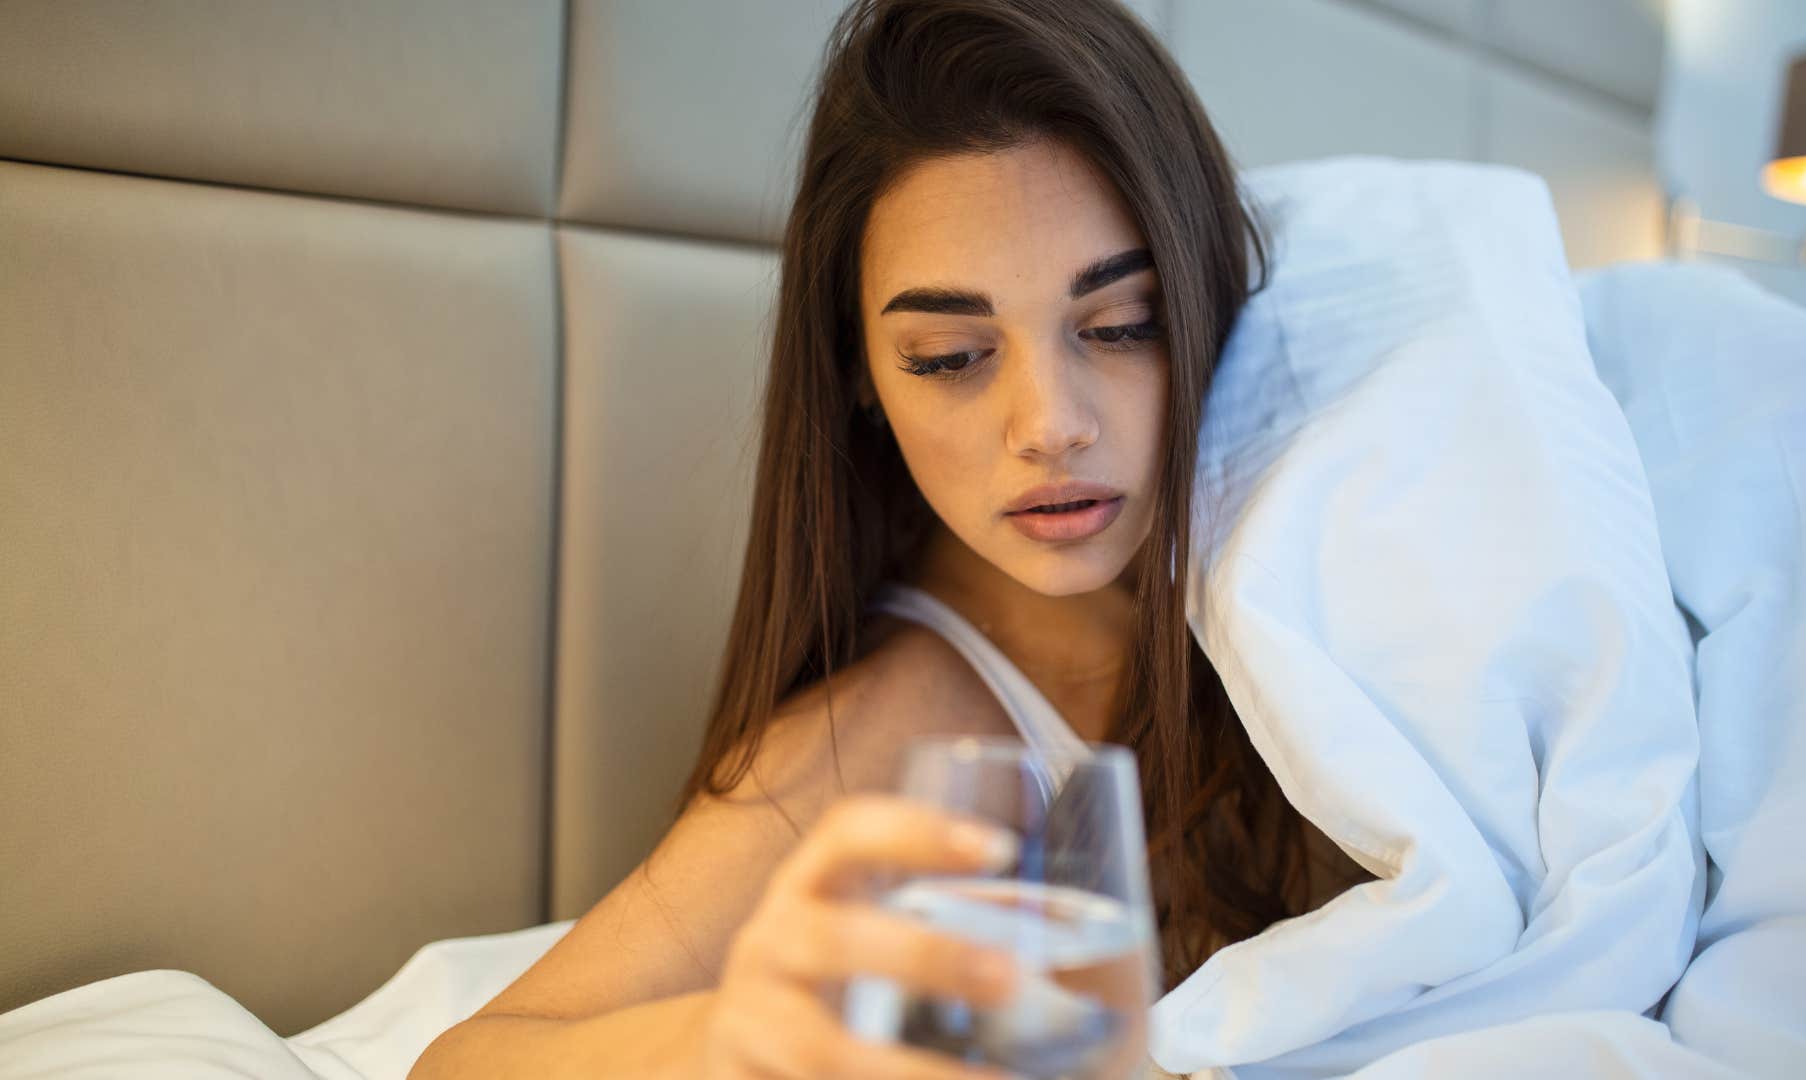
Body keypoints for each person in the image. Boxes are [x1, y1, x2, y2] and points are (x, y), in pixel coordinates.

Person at [412, 0, 1372, 1076]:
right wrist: (728, 1034)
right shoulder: (892, 738)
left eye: (1120, 326)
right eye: (952, 356)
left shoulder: (1336, 565)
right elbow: (470, 1060)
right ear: (861, 379)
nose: (1051, 423)